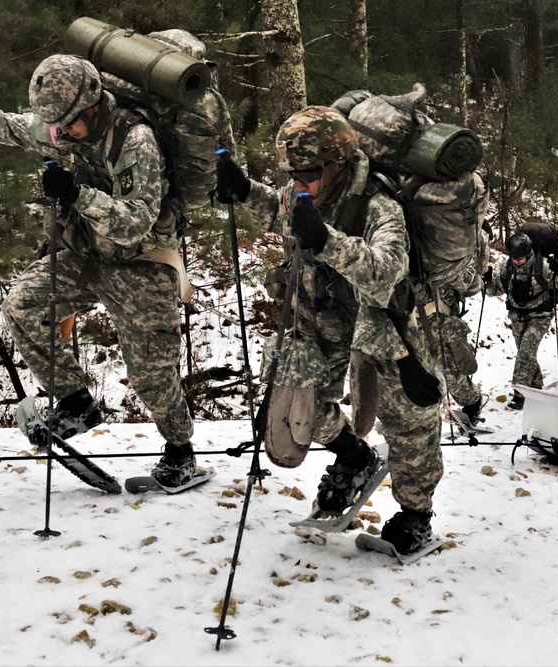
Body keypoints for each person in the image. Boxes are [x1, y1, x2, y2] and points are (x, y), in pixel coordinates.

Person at [0, 55, 197, 488]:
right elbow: (21, 128)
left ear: (93, 105)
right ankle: (76, 401)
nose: (62, 133)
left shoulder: (136, 140)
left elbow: (136, 222)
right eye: (56, 124)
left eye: (69, 124)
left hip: (140, 263)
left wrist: (77, 195)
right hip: (85, 253)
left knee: (152, 372)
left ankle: (180, 451)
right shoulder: (64, 125)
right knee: (22, 305)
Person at [213, 106, 444, 555]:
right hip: (320, 317)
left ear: (338, 163)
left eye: (308, 173)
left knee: (409, 420)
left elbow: (386, 269)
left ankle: (417, 513)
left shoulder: (379, 205)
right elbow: (277, 207)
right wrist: (242, 189)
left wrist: (326, 240)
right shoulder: (304, 189)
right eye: (292, 173)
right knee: (297, 401)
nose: (297, 182)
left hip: (379, 324)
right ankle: (355, 456)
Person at [484, 231, 558, 410]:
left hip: (540, 316)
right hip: (517, 316)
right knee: (528, 356)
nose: (517, 261)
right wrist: (487, 281)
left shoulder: (545, 266)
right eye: (514, 258)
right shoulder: (506, 268)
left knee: (525, 354)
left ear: (529, 253)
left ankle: (520, 395)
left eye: (520, 258)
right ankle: (536, 390)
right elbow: (495, 290)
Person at [425, 285, 486, 429]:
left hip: (444, 322)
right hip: (413, 323)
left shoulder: (448, 263)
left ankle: (472, 403)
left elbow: (471, 285)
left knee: (452, 376)